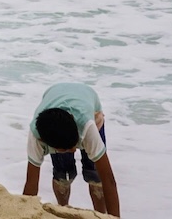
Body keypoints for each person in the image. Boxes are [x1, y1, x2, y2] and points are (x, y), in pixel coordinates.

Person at [22, 83, 120, 217]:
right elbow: (31, 184)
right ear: (45, 143)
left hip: (87, 102)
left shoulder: (87, 128)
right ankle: (63, 210)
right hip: (54, 96)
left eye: (75, 144)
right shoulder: (36, 137)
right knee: (63, 175)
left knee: (95, 175)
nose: (74, 150)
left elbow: (108, 180)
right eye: (67, 149)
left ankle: (100, 215)